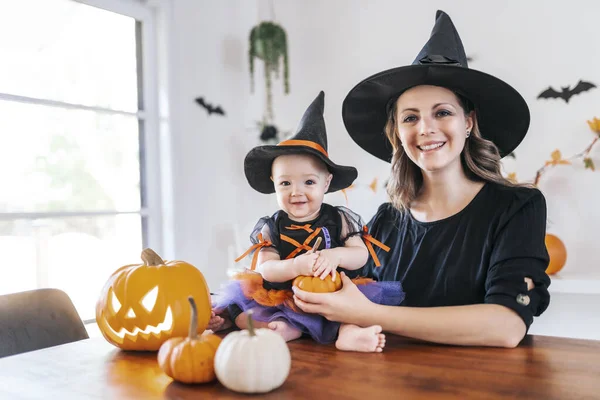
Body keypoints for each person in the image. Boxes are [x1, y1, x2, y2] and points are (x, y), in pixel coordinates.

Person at [291, 10, 552, 348]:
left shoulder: (517, 208)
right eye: (410, 118)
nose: (425, 129)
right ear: (397, 132)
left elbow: (506, 327)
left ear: (468, 122)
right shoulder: (385, 222)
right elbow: (339, 297)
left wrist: (370, 313)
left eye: (442, 112)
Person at [210, 91, 404, 352]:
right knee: (243, 311)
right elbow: (267, 269)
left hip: (334, 294)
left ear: (326, 183)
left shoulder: (340, 218)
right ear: (274, 185)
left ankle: (349, 335)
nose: (296, 191)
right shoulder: (271, 225)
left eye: (309, 182)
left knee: (353, 313)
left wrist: (335, 256)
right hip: (286, 295)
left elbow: (360, 256)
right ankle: (283, 329)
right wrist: (295, 266)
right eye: (285, 183)